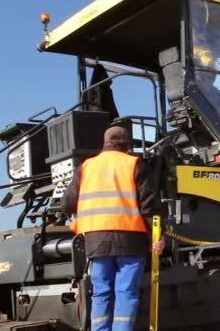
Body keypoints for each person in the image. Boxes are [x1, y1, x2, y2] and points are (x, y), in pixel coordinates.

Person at [62, 126, 165, 331]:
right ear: (126, 145)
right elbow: (149, 206)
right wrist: (158, 236)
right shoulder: (134, 163)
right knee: (126, 292)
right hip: (131, 240)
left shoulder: (86, 167)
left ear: (105, 143)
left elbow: (67, 204)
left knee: (101, 292)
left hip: (97, 241)